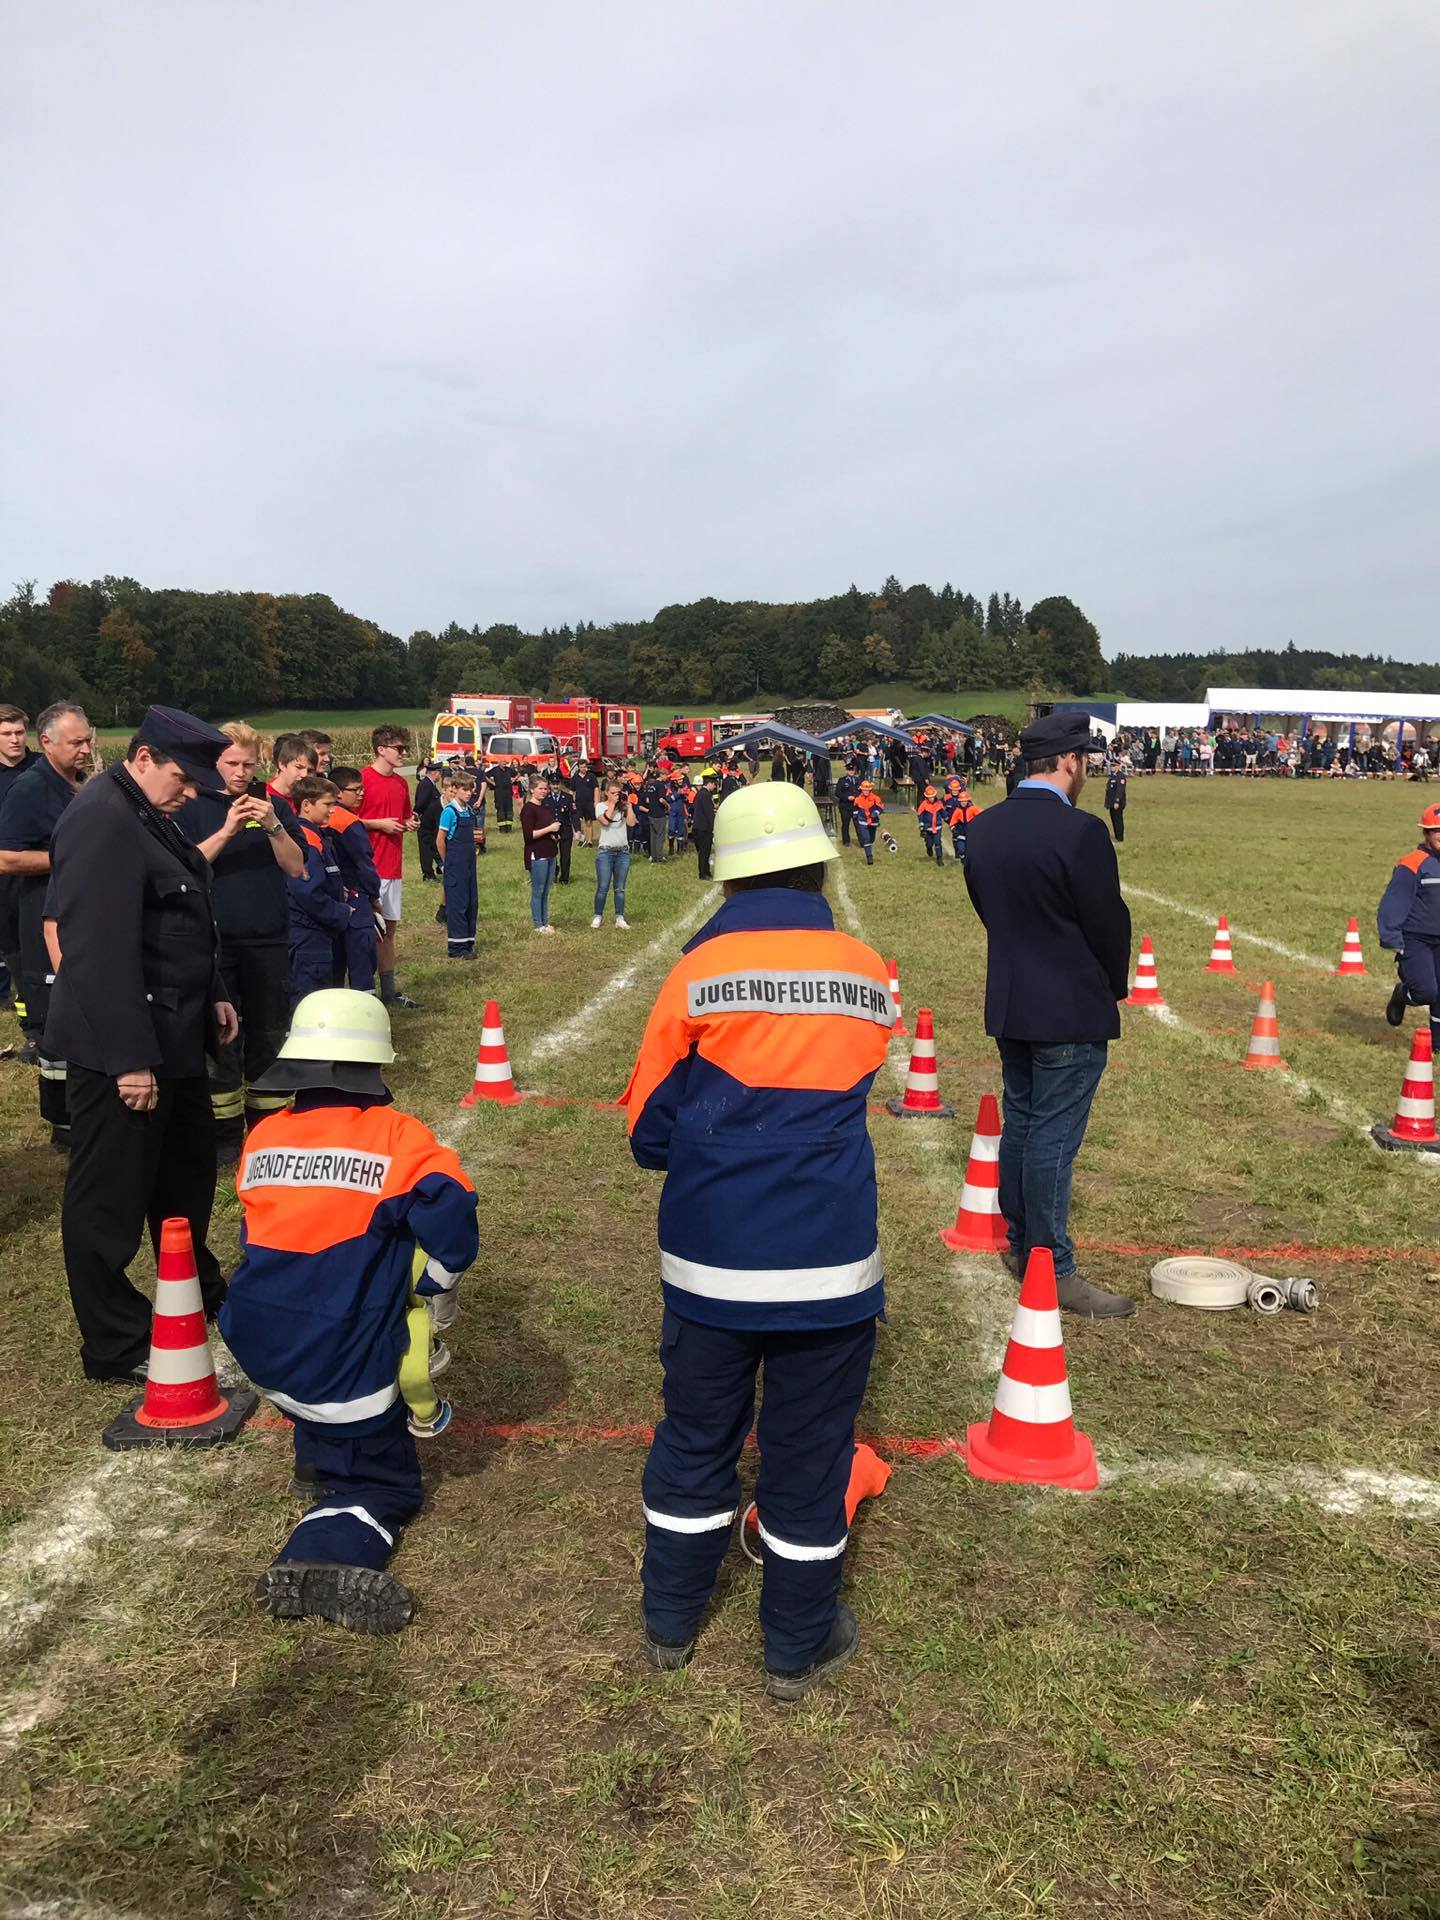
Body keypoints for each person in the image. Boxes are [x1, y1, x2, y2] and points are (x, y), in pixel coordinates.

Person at [622, 782, 894, 1698]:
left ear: (725, 874)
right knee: (811, 1454)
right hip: (829, 1260)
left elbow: (648, 1130)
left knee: (697, 1437)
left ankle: (671, 1620)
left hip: (711, 1261)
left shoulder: (696, 974)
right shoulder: (865, 969)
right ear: (819, 864)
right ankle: (795, 1644)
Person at [219, 989, 478, 1633]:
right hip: (340, 1351)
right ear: (374, 1067)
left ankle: (316, 1457)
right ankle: (325, 1548)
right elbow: (453, 1217)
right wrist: (438, 1285)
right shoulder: (398, 1137)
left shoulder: (264, 1136)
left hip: (255, 1336)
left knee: (318, 1393)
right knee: (385, 1480)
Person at [45, 705, 239, 1382]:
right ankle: (116, 1341)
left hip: (175, 1033)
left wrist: (213, 988)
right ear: (145, 757)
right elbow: (97, 953)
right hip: (122, 1046)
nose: (191, 794)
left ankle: (196, 1289)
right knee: (111, 1199)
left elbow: (182, 912)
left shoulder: (147, 810)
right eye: (183, 778)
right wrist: (129, 1059)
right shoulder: (102, 818)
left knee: (183, 1178)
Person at [963, 711, 1133, 1318]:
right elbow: (1108, 923)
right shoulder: (1081, 832)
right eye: (1084, 762)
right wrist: (1112, 984)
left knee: (1024, 1122)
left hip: (1012, 1000)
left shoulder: (983, 828)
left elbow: (988, 909)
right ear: (1069, 761)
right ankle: (1052, 1265)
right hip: (1068, 1005)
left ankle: (1019, 1242)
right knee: (1053, 1136)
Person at [180, 721, 305, 1156]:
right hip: (214, 944)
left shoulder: (273, 804)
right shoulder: (189, 803)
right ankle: (224, 1138)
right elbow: (183, 868)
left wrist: (273, 826)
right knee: (222, 1039)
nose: (240, 773)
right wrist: (227, 831)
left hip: (268, 940)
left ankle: (270, 1132)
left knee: (270, 1035)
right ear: (214, 761)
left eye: (249, 765)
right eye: (232, 763)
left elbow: (296, 866)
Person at [0, 702, 93, 1138]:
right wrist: (71, 859)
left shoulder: (79, 784)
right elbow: (7, 857)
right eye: (76, 742)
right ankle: (63, 1121)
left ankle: (86, 1108)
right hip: (40, 919)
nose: (85, 749)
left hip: (80, 916)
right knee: (55, 1019)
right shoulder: (30, 788)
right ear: (47, 742)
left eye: (88, 740)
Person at [359, 726, 420, 1010]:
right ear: (381, 749)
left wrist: (409, 823)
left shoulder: (400, 783)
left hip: (393, 866)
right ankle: (364, 990)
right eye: (399, 748)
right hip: (368, 867)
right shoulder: (362, 780)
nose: (404, 753)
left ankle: (389, 991)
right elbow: (343, 819)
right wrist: (378, 824)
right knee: (366, 932)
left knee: (389, 931)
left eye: (405, 748)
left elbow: (404, 816)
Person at [1379, 803, 1440, 1047]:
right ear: (1426, 833)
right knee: (1426, 991)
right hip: (1416, 940)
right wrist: (1392, 937)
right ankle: (1401, 994)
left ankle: (1437, 1046)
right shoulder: (1412, 864)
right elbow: (1394, 902)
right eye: (1436, 830)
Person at [287, 775, 351, 1005]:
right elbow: (307, 891)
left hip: (318, 931)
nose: (333, 810)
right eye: (328, 804)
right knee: (310, 1001)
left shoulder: (317, 835)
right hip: (308, 935)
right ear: (306, 805)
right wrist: (341, 912)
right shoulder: (305, 840)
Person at [325, 767, 383, 992]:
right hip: (354, 894)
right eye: (356, 790)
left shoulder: (322, 817)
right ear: (338, 793)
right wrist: (374, 895)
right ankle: (364, 1002)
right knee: (361, 955)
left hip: (330, 896)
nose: (361, 794)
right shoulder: (348, 821)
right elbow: (364, 862)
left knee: (334, 960)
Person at [0, 703, 38, 1029]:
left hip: (39, 873)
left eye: (19, 732)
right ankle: (28, 1022)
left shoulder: (43, 769)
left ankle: (46, 1020)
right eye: (6, 734)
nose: (14, 739)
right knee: (12, 950)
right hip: (3, 877)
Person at [437, 772, 479, 960]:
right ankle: (457, 947)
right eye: (464, 789)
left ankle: (468, 942)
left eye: (470, 790)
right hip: (455, 864)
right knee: (458, 905)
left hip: (469, 865)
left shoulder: (467, 810)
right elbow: (440, 840)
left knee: (471, 902)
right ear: (454, 789)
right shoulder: (449, 812)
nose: (469, 793)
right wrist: (448, 862)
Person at [521, 772, 560, 934]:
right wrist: (549, 829)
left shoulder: (544, 807)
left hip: (550, 852)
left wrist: (554, 834)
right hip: (537, 854)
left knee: (546, 890)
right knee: (538, 890)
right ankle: (538, 924)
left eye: (545, 789)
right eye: (540, 789)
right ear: (532, 790)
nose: (544, 791)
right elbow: (529, 835)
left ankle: (544, 921)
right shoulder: (528, 809)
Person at [592, 777, 634, 927]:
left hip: (622, 852)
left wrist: (628, 806)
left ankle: (619, 917)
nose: (616, 795)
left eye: (618, 793)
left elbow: (631, 823)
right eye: (613, 793)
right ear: (606, 793)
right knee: (603, 887)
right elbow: (604, 821)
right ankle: (598, 915)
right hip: (605, 852)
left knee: (620, 888)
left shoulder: (623, 807)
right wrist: (612, 804)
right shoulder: (600, 806)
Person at [413, 760, 442, 881]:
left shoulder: (430, 784)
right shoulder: (426, 785)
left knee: (433, 847)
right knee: (426, 849)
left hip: (432, 822)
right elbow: (420, 804)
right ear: (434, 773)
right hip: (426, 823)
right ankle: (428, 874)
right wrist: (417, 816)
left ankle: (438, 868)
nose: (440, 776)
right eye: (439, 773)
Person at [944, 778, 979, 863]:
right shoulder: (956, 809)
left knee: (971, 848)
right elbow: (952, 822)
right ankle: (962, 859)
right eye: (962, 801)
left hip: (970, 832)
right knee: (960, 848)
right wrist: (954, 830)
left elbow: (981, 815)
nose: (964, 802)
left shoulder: (972, 808)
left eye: (965, 801)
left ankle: (969, 859)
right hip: (960, 831)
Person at [690, 771, 716, 881]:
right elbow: (708, 813)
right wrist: (714, 826)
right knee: (704, 852)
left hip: (699, 826)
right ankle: (703, 873)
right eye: (714, 784)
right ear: (709, 783)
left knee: (705, 851)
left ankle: (706, 871)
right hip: (703, 827)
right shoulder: (705, 795)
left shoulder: (700, 793)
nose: (715, 786)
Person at [851, 780, 883, 864]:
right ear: (861, 790)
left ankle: (869, 847)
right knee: (866, 839)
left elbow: (881, 808)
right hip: (862, 822)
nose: (865, 791)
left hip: (873, 822)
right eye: (864, 790)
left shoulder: (876, 798)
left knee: (871, 839)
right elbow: (855, 808)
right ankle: (869, 856)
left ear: (870, 790)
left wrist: (876, 812)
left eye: (867, 790)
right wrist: (855, 816)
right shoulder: (858, 799)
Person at [915, 783, 946, 864]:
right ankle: (929, 848)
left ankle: (939, 858)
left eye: (932, 797)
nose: (931, 798)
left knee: (937, 842)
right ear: (926, 797)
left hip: (937, 827)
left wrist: (947, 817)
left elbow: (943, 812)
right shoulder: (923, 805)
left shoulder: (939, 803)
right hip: (928, 828)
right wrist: (922, 825)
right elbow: (920, 815)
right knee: (929, 843)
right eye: (929, 797)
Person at [488, 757, 515, 833]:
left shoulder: (509, 769)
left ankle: (509, 828)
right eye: (503, 761)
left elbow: (518, 773)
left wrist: (514, 779)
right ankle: (502, 829)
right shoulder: (495, 770)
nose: (504, 763)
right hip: (499, 793)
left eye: (505, 761)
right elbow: (485, 775)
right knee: (500, 810)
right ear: (499, 762)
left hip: (508, 793)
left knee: (509, 810)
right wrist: (492, 783)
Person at [834, 765, 859, 847]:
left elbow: (860, 791)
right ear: (846, 771)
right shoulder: (842, 780)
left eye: (852, 770)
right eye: (849, 770)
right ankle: (846, 841)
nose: (851, 771)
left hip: (855, 806)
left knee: (858, 824)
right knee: (845, 824)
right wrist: (847, 797)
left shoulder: (857, 780)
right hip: (845, 806)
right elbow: (837, 793)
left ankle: (862, 841)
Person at [1105, 764, 1128, 844]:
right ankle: (1116, 836)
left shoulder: (1120, 776)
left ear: (1117, 767)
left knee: (1118, 820)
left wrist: (1117, 801)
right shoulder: (1113, 776)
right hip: (1111, 802)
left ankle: (1120, 838)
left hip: (1117, 803)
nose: (1112, 767)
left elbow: (1120, 790)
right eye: (1111, 766)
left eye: (1113, 766)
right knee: (1114, 820)